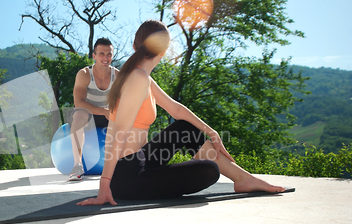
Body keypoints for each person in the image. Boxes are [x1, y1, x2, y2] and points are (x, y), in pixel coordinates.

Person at [77, 20, 285, 205]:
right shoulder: (137, 78)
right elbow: (119, 132)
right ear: (164, 50)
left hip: (139, 161)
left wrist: (211, 131)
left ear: (135, 45)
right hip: (125, 178)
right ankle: (243, 179)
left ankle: (243, 178)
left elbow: (176, 109)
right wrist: (105, 186)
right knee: (209, 170)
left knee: (185, 128)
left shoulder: (142, 78)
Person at [68, 38, 119, 181]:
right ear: (94, 56)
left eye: (109, 54)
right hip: (86, 114)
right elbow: (78, 102)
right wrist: (103, 111)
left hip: (106, 117)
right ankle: (77, 165)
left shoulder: (117, 76)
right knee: (79, 114)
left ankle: (119, 165)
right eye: (101, 54)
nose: (106, 58)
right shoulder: (84, 74)